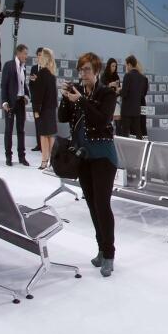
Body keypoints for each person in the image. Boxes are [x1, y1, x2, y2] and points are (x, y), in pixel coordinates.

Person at [59, 52, 120, 277]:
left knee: (103, 205)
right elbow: (62, 117)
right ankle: (101, 249)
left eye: (87, 70)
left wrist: (81, 101)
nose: (82, 74)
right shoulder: (77, 92)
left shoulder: (107, 93)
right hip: (83, 158)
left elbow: (102, 119)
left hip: (104, 158)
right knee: (92, 206)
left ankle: (110, 254)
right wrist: (66, 99)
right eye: (80, 70)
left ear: (96, 72)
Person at [1, 44, 31, 166]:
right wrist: (4, 102)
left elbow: (23, 85)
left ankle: (22, 157)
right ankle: (8, 156)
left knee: (21, 130)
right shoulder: (9, 65)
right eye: (25, 53)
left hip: (20, 102)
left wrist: (27, 96)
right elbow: (4, 85)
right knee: (8, 130)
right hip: (10, 103)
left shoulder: (24, 67)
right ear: (18, 53)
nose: (26, 56)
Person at [31, 48, 58, 170]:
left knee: (43, 136)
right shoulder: (52, 74)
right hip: (51, 109)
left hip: (44, 110)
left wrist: (36, 110)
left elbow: (38, 95)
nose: (38, 58)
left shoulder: (42, 73)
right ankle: (51, 162)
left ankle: (44, 161)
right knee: (50, 135)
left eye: (40, 56)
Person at [119, 55, 150, 139]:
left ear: (129, 65)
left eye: (126, 65)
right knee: (138, 133)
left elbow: (124, 93)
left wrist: (119, 91)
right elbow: (143, 94)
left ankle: (124, 151)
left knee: (125, 133)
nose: (126, 67)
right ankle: (140, 150)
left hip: (127, 111)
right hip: (136, 110)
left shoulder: (128, 76)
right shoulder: (143, 78)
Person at [29, 47, 44, 153]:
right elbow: (31, 84)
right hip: (35, 102)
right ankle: (39, 144)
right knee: (37, 123)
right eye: (38, 55)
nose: (40, 57)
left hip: (45, 102)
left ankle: (45, 146)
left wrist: (38, 80)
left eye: (42, 55)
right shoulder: (34, 68)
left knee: (45, 123)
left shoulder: (48, 69)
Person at [102, 58, 121, 132]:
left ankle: (119, 138)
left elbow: (118, 89)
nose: (114, 68)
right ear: (109, 66)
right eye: (112, 66)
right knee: (107, 121)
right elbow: (101, 88)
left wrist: (117, 88)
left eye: (115, 66)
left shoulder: (116, 76)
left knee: (118, 122)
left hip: (115, 100)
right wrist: (109, 84)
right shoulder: (104, 76)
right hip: (106, 101)